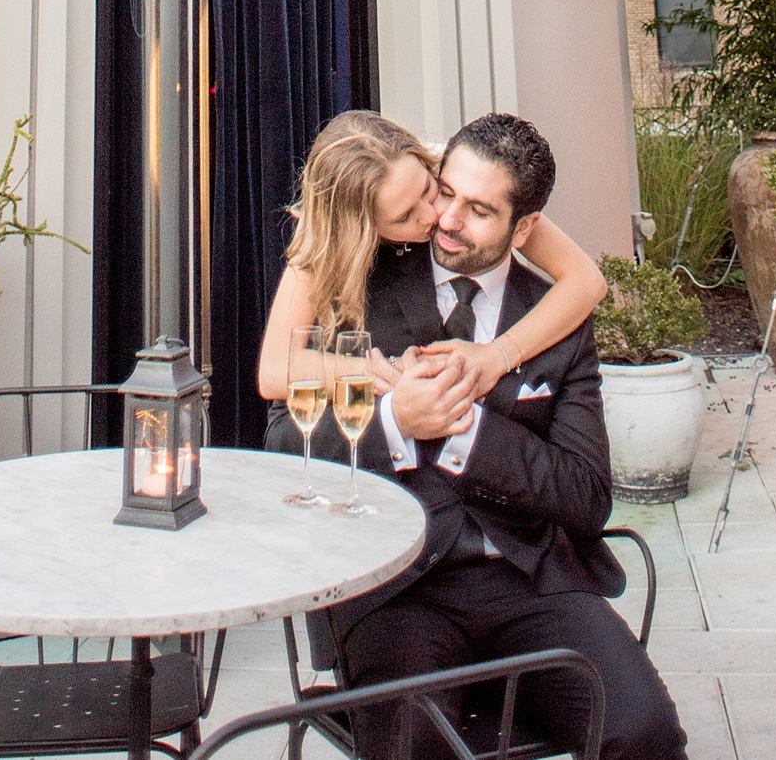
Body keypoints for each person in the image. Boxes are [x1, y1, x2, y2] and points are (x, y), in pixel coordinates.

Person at [265, 112, 686, 760]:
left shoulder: (556, 318)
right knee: (415, 746)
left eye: (479, 209)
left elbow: (586, 498)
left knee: (645, 731)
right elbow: (285, 447)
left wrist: (470, 430)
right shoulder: (356, 284)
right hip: (398, 587)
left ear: (524, 228)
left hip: (532, 581)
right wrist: (396, 425)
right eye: (444, 195)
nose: (446, 219)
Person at [257, 109, 607, 407]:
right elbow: (274, 371)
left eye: (430, 189)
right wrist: (379, 374)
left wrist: (497, 355)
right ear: (363, 233)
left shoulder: (460, 178)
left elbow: (586, 281)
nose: (435, 216)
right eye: (405, 217)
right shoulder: (329, 232)